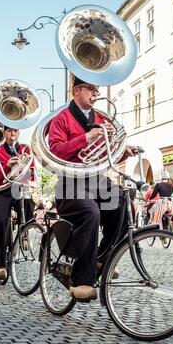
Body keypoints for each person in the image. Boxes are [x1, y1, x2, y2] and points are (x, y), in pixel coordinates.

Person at [48, 76, 137, 301]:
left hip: (97, 180)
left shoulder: (99, 118)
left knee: (124, 202)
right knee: (90, 212)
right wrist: (86, 137)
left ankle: (102, 259)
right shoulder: (62, 119)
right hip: (69, 183)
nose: (95, 93)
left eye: (96, 89)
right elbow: (56, 152)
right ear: (77, 90)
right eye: (91, 89)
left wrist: (122, 152)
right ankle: (81, 280)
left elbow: (103, 155)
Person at [0, 126, 35, 280]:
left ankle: (24, 233)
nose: (12, 133)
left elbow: (32, 172)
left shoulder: (26, 150)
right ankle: (0, 264)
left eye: (15, 130)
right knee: (1, 220)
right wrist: (7, 167)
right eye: (9, 131)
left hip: (19, 188)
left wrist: (28, 171)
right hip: (1, 191)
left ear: (18, 132)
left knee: (28, 203)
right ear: (4, 133)